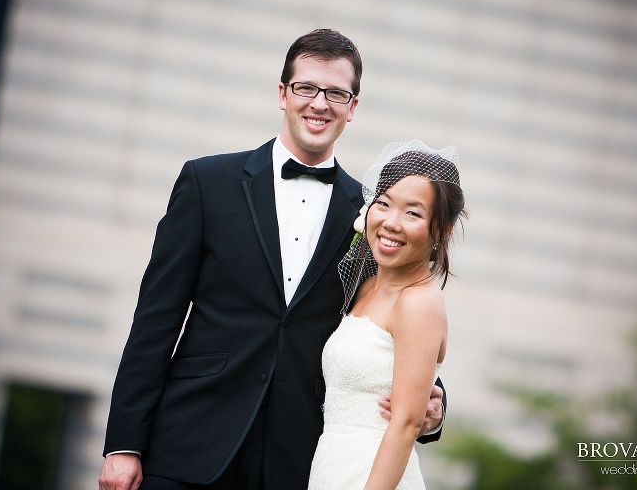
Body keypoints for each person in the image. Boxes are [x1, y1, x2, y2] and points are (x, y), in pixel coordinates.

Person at [98, 29, 446, 490]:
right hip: (188, 445)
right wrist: (124, 444)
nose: (320, 104)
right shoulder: (208, 182)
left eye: (336, 93)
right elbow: (154, 322)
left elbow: (398, 309)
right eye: (306, 87)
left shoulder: (370, 213)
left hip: (297, 459)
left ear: (352, 107)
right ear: (283, 94)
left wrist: (436, 400)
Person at [308, 140, 466, 490]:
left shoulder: (419, 303)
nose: (391, 222)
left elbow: (407, 424)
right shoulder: (365, 286)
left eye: (413, 213)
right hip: (332, 465)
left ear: (442, 230)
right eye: (384, 204)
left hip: (374, 475)